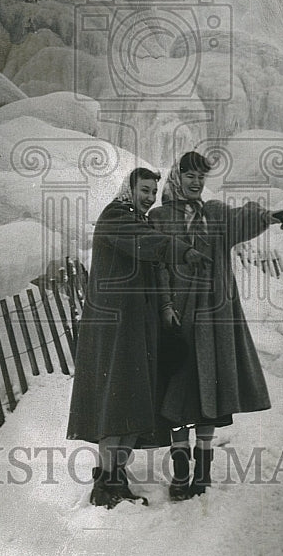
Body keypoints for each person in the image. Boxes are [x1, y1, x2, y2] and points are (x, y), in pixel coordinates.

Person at [150, 151, 283, 500]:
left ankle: (203, 475)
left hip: (213, 319)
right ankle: (180, 476)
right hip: (179, 317)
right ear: (177, 177)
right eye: (190, 176)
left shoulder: (213, 214)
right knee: (178, 392)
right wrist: (166, 305)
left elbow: (241, 219)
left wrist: (266, 216)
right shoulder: (160, 217)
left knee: (208, 391)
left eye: (201, 177)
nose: (196, 182)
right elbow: (159, 267)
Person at [66, 167, 208, 509]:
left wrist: (165, 307)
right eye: (144, 190)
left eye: (153, 193)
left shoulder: (137, 220)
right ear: (129, 189)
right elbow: (150, 246)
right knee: (115, 404)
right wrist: (183, 251)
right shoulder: (116, 217)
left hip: (134, 328)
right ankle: (106, 484)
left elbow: (152, 262)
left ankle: (114, 479)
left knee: (131, 401)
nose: (149, 198)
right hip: (114, 329)